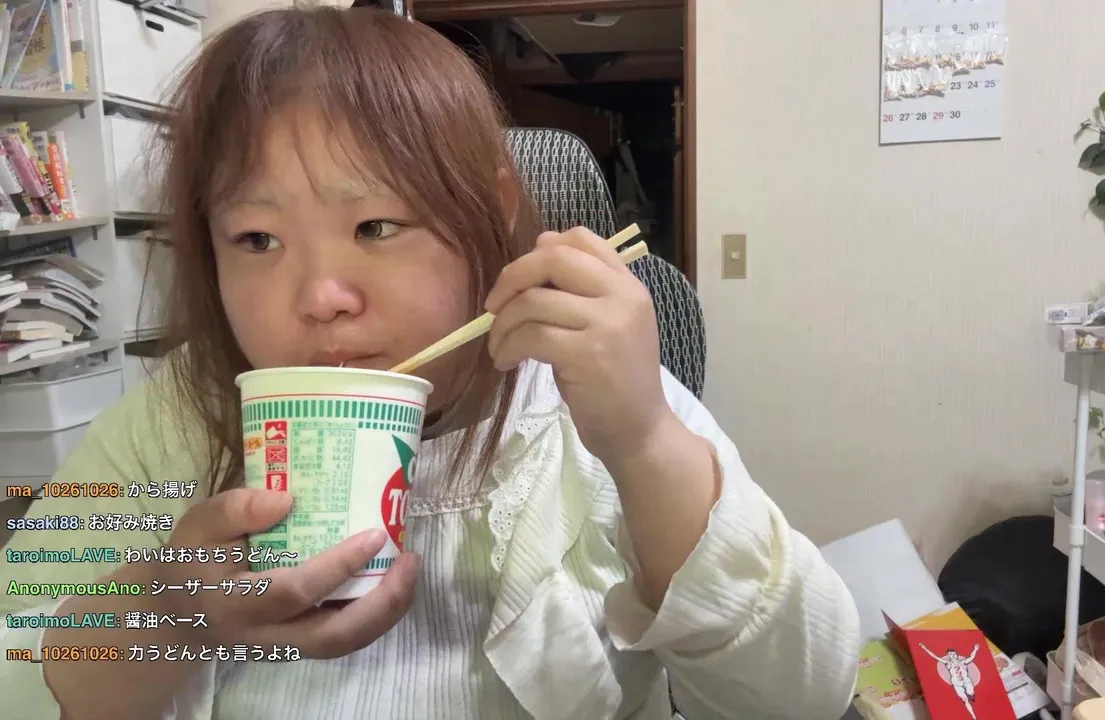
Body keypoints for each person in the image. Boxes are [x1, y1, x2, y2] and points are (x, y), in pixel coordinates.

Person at [0, 7, 860, 719]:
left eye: (375, 226)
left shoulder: (591, 403)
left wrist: (644, 444)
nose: (320, 297)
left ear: (490, 211)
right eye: (256, 238)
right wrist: (167, 609)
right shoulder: (173, 421)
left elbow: (804, 695)